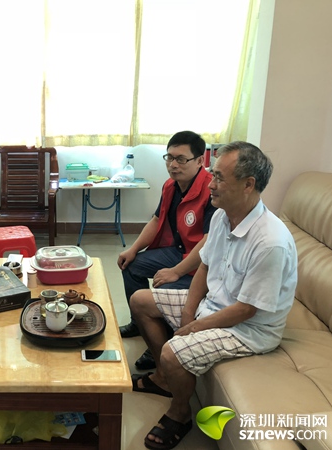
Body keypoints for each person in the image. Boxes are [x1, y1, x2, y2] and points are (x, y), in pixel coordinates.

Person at [130, 142, 298, 450]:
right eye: (212, 173)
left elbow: (246, 310)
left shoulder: (270, 241)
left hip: (248, 330)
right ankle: (165, 379)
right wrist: (188, 312)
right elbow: (205, 265)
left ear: (248, 184)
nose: (210, 183)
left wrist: (193, 327)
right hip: (215, 306)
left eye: (219, 177)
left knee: (173, 351)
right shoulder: (222, 216)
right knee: (141, 300)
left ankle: (180, 414)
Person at [118, 131, 216, 370]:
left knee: (165, 290)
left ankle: (159, 349)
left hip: (202, 263)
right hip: (179, 251)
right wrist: (133, 249)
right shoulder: (171, 186)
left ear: (199, 161)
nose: (173, 165)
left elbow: (209, 241)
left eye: (181, 159)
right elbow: (155, 220)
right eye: (169, 158)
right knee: (131, 265)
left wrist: (176, 271)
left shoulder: (211, 190)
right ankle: (139, 323)